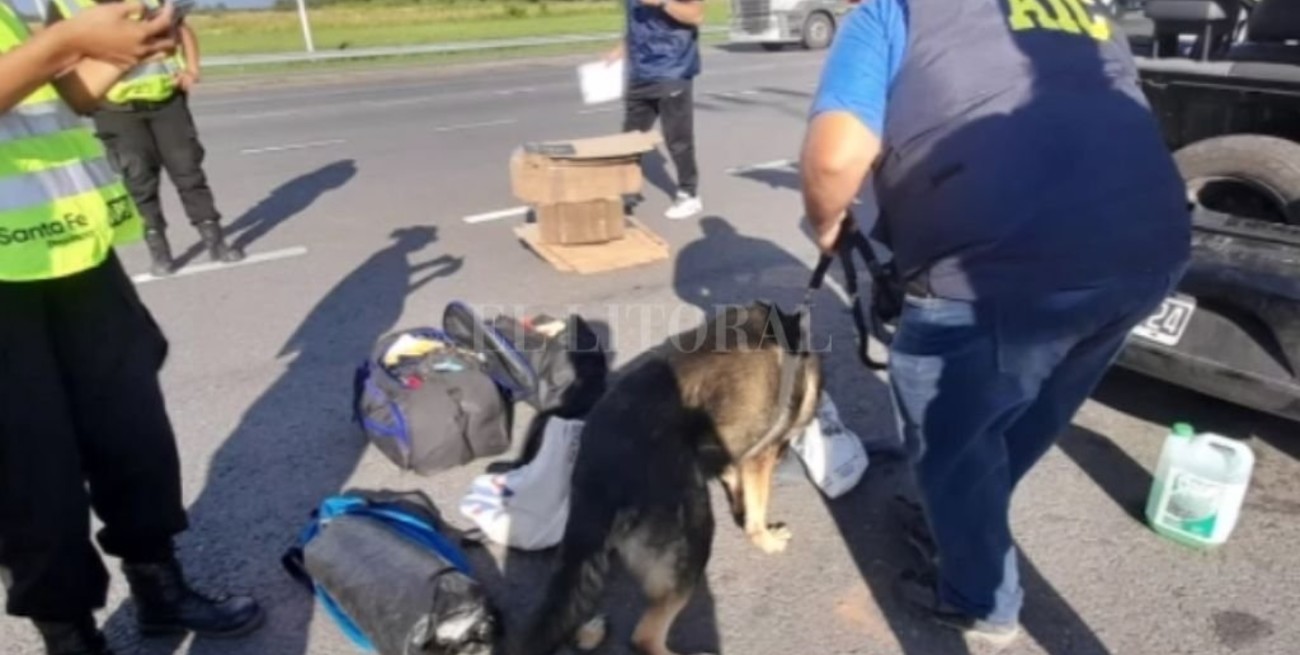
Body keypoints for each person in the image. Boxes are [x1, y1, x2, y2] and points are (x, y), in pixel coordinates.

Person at [799, 0, 1190, 646]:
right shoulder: (1083, 11)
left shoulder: (892, 13)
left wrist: (823, 220)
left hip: (995, 273)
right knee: (1031, 405)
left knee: (950, 439)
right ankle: (963, 518)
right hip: (1151, 252)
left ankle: (981, 599)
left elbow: (836, 159)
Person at [0, 2, 263, 654]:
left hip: (73, 250)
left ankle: (159, 587)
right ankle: (69, 634)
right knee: (32, 470)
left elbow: (69, 97)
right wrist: (65, 40)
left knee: (133, 431)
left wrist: (128, 48)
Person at [47, 0, 243, 277]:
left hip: (165, 101)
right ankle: (159, 250)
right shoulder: (67, 5)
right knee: (139, 180)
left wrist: (192, 69)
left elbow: (181, 29)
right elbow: (57, 57)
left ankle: (214, 239)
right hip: (114, 110)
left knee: (188, 171)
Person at [610, 0, 705, 220]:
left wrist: (662, 2)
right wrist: (620, 50)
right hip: (640, 73)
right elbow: (636, 25)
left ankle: (689, 194)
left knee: (677, 139)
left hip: (672, 70)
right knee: (629, 139)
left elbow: (696, 15)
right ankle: (628, 192)